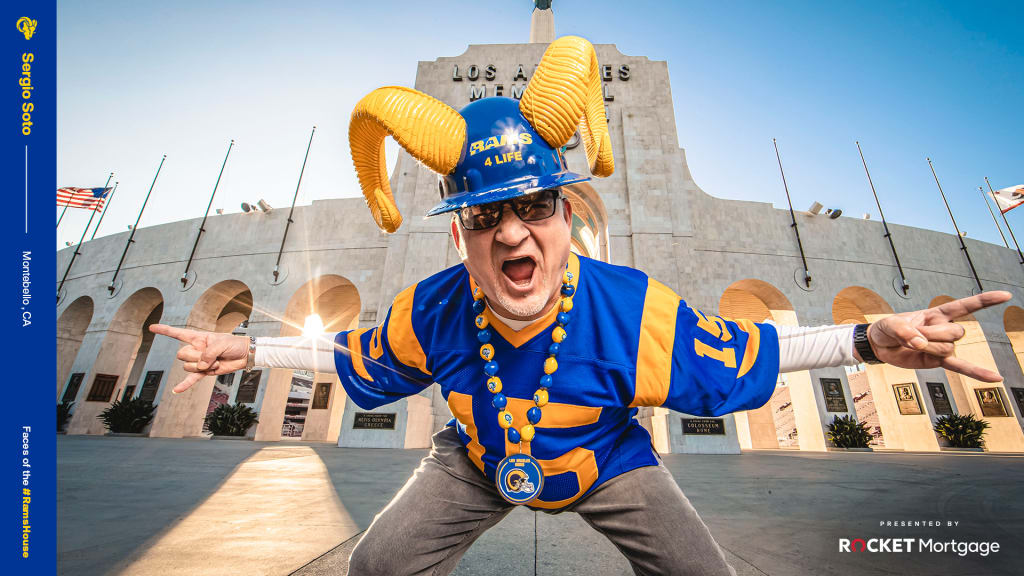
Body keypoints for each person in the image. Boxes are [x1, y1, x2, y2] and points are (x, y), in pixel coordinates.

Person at [151, 36, 1010, 575]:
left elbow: (752, 348)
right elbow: (352, 356)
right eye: (486, 217)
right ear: (459, 239)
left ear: (569, 215)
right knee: (376, 564)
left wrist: (871, 339)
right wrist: (250, 352)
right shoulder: (434, 310)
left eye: (535, 207)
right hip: (477, 460)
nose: (514, 236)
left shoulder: (633, 311)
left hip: (609, 463)